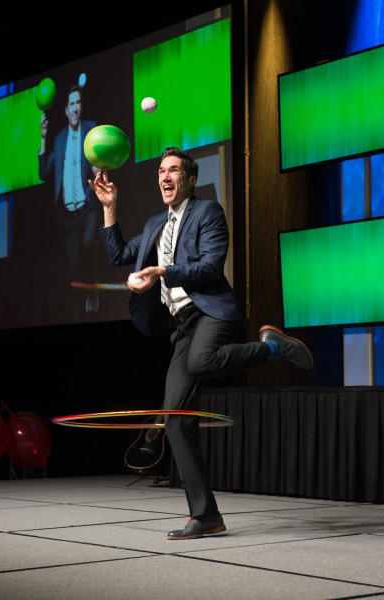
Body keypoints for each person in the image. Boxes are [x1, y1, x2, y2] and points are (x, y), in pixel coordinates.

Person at [89, 147, 313, 540]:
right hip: (181, 327)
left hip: (211, 314)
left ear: (189, 179)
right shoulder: (157, 222)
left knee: (203, 360)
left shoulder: (208, 212)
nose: (165, 176)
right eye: (161, 171)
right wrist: (110, 206)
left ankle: (274, 347)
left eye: (173, 170)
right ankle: (206, 515)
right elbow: (119, 254)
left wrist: (164, 270)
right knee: (175, 423)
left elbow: (211, 266)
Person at [39, 84, 102, 321]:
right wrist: (44, 138)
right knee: (72, 272)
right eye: (72, 104)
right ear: (66, 110)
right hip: (69, 216)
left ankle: (93, 292)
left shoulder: (91, 129)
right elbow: (44, 172)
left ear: (81, 107)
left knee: (88, 245)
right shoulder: (58, 139)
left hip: (88, 207)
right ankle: (77, 318)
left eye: (79, 103)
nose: (76, 108)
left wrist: (99, 168)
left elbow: (99, 160)